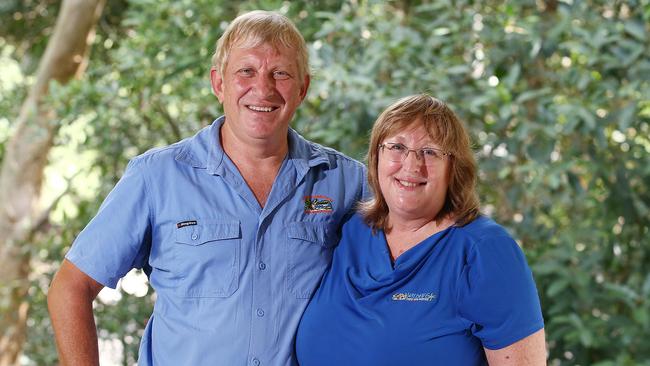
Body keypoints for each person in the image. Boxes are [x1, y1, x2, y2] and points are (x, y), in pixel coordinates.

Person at [47, 10, 367, 366]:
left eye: (281, 73)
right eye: (246, 71)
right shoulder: (157, 177)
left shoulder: (346, 182)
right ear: (219, 84)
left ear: (303, 88)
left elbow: (413, 256)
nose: (263, 88)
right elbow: (70, 288)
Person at [296, 94, 546, 365]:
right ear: (376, 156)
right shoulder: (352, 229)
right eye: (397, 147)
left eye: (430, 152)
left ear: (454, 168)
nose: (411, 165)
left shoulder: (484, 250)